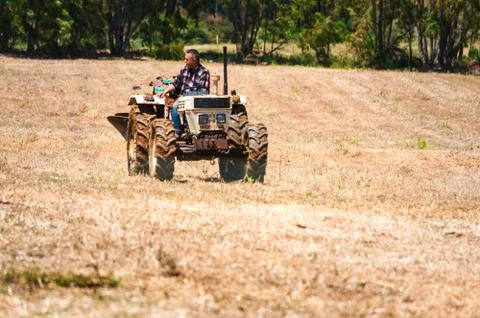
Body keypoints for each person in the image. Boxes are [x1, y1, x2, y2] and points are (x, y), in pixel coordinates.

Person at [159, 49, 210, 134]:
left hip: (198, 98)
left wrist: (189, 94)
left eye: (187, 59)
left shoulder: (204, 72)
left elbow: (204, 91)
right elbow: (175, 84)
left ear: (194, 60)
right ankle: (177, 130)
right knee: (175, 106)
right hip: (184, 97)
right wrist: (165, 91)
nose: (184, 61)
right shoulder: (184, 70)